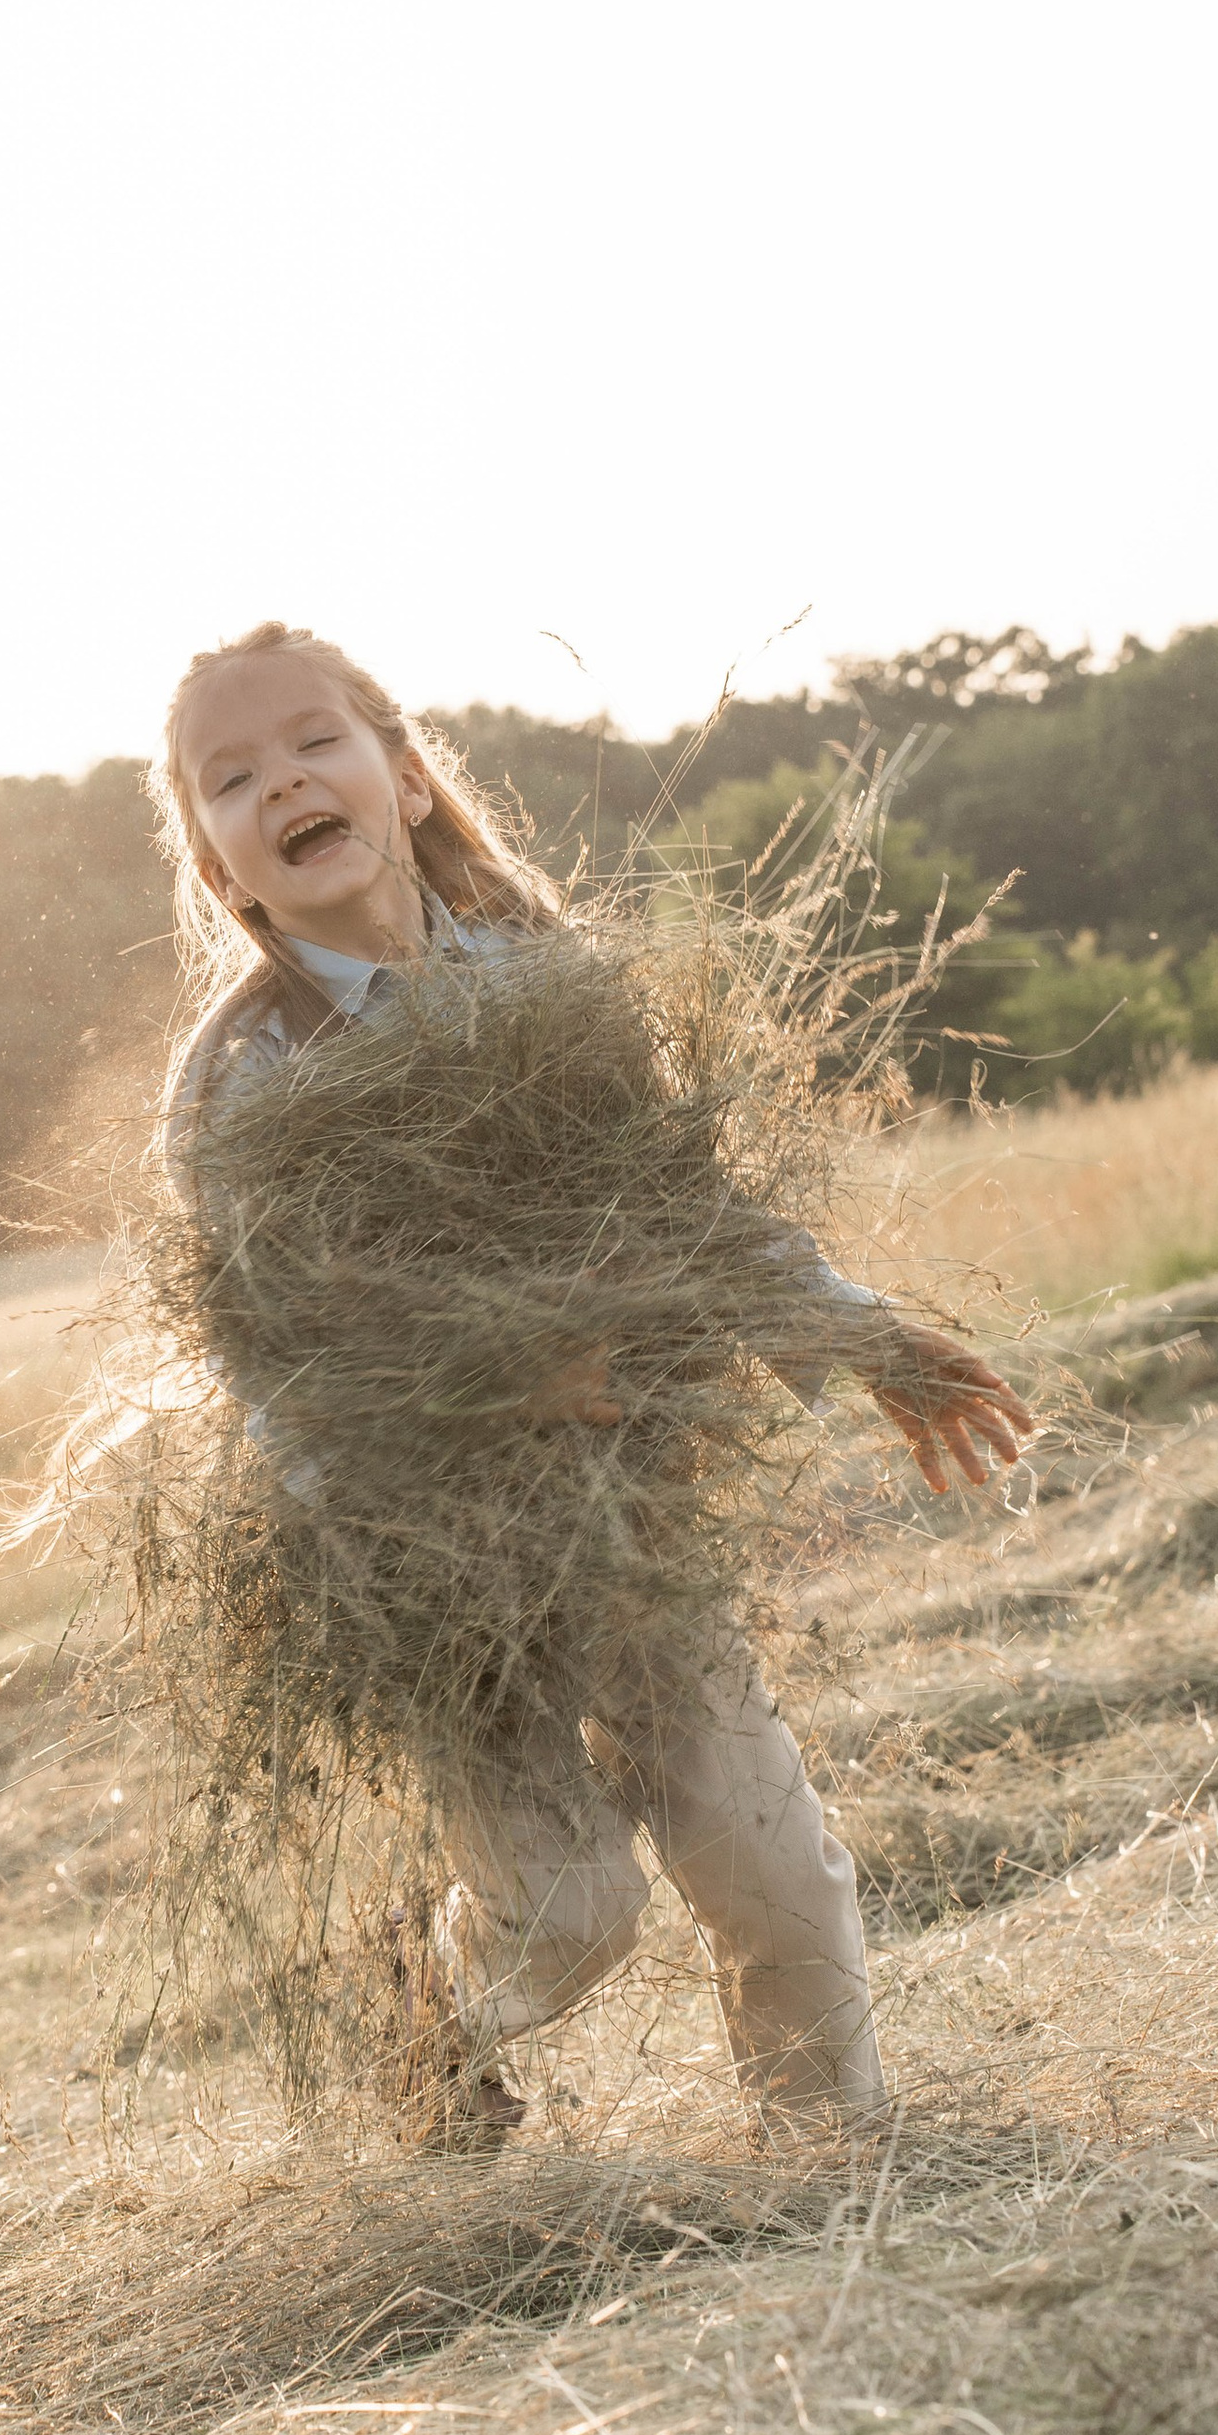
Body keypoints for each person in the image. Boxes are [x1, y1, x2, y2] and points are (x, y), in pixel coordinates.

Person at [150, 619, 1033, 2138]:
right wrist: (484, 1392)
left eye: (312, 744)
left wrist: (863, 1335)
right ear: (220, 864)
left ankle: (840, 2173)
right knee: (567, 1909)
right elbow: (282, 1377)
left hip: (629, 1505)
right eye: (228, 779)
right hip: (428, 1567)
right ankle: (430, 2039)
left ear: (406, 778)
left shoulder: (549, 980)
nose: (279, 783)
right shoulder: (244, 1089)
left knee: (769, 1863)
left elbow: (690, 1213)